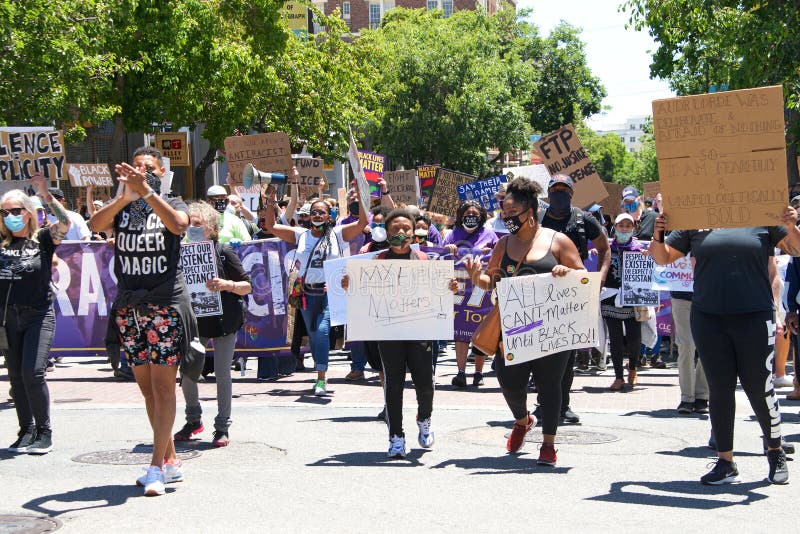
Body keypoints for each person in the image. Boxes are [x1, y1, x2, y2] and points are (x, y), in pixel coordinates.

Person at [650, 205, 800, 485]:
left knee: (759, 386)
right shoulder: (695, 217)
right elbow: (662, 258)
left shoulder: (761, 212)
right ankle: (725, 461)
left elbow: (796, 248)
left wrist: (791, 225)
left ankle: (775, 450)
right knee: (719, 389)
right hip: (709, 316)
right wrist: (658, 234)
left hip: (754, 315)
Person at [89, 146, 195, 496]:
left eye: (148, 168)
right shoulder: (123, 208)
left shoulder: (173, 202)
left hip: (164, 305)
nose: (140, 172)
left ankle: (155, 467)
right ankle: (171, 460)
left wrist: (147, 192)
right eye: (134, 167)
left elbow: (179, 226)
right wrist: (125, 195)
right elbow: (95, 224)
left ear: (161, 173)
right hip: (130, 307)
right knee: (147, 389)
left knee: (164, 387)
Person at [464, 177, 585, 466]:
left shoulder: (558, 241)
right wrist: (475, 278)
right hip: (513, 328)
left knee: (550, 385)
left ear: (529, 211)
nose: (506, 218)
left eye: (511, 213)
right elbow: (491, 282)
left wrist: (564, 272)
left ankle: (548, 444)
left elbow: (582, 277)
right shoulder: (503, 244)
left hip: (552, 328)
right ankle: (522, 420)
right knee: (508, 379)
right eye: (503, 214)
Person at [341, 208, 458, 457]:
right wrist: (351, 285)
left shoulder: (425, 260)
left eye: (405, 228)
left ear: (414, 232)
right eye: (395, 229)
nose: (401, 233)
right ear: (387, 232)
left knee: (425, 384)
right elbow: (364, 296)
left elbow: (438, 296)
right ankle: (396, 437)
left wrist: (449, 288)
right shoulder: (377, 262)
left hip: (420, 333)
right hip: (389, 333)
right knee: (393, 385)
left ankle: (424, 420)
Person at [263, 177, 367, 395]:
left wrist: (362, 194)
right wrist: (271, 201)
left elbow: (362, 224)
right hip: (306, 293)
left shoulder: (338, 234)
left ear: (329, 216)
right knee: (312, 332)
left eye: (322, 212)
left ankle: (321, 377)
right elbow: (271, 226)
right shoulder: (300, 234)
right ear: (309, 216)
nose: (318, 215)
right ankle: (320, 372)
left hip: (329, 293)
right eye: (314, 212)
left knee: (321, 331)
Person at [174, 201, 252, 448]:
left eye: (197, 225)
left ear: (211, 228)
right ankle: (193, 419)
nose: (192, 229)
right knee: (188, 373)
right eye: (189, 224)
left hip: (224, 320)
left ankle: (222, 426)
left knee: (222, 373)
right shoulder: (179, 252)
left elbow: (247, 286)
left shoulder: (224, 251)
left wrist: (226, 285)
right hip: (194, 322)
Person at [2, 174, 70, 455]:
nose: (10, 217)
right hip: (8, 319)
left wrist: (46, 195)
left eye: (16, 211)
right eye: (4, 212)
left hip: (38, 315)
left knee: (33, 372)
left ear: (28, 214)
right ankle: (26, 430)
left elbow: (65, 223)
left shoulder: (43, 239)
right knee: (15, 377)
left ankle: (44, 431)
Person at [537, 174, 610, 424]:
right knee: (541, 350)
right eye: (555, 190)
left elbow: (604, 247)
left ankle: (563, 403)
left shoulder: (583, 219)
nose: (559, 194)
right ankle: (543, 403)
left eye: (564, 190)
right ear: (548, 194)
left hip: (572, 292)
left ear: (571, 193)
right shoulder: (538, 219)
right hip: (541, 290)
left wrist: (600, 277)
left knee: (567, 353)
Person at [444, 199, 498, 388]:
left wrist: (490, 251)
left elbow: (498, 256)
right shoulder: (453, 234)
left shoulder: (490, 234)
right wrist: (448, 249)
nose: (471, 217)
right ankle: (460, 373)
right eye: (467, 214)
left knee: (479, 332)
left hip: (481, 293)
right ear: (460, 216)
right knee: (460, 333)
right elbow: (440, 256)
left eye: (475, 215)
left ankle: (478, 372)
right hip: (459, 293)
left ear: (482, 216)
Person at [601, 213, 645, 391]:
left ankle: (633, 369)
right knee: (616, 339)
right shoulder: (606, 248)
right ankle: (618, 376)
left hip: (633, 299)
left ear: (633, 228)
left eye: (628, 226)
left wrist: (647, 256)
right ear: (615, 228)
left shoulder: (640, 249)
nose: (624, 229)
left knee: (634, 339)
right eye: (621, 225)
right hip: (611, 297)